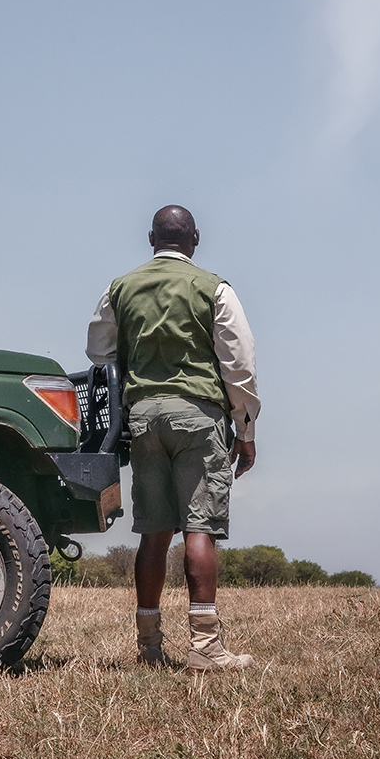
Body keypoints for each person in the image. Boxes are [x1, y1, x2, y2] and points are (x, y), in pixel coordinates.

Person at [86, 204, 260, 671]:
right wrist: (245, 429)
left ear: (150, 238)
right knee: (199, 528)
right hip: (199, 418)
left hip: (143, 418)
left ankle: (148, 647)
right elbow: (238, 365)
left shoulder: (118, 288)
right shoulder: (215, 289)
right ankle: (205, 648)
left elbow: (98, 351)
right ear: (196, 239)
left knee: (153, 533)